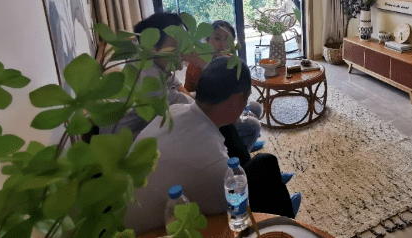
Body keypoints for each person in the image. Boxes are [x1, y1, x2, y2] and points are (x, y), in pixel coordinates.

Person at [124, 57, 301, 234]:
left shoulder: (174, 110)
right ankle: (284, 220)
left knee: (245, 148)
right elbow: (234, 216)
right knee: (266, 164)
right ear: (235, 100)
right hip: (153, 232)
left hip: (127, 212)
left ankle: (282, 204)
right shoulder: (215, 164)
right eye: (246, 98)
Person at [101, 12, 193, 140]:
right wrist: (202, 63)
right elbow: (197, 112)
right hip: (124, 147)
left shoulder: (148, 61)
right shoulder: (148, 78)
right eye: (177, 43)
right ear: (153, 46)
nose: (185, 49)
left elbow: (178, 86)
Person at [185, 20, 265, 153]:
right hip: (206, 114)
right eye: (217, 38)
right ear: (206, 40)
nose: (222, 44)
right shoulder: (197, 65)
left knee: (256, 107)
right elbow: (210, 99)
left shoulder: (228, 59)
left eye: (227, 40)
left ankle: (243, 143)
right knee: (253, 125)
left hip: (224, 105)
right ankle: (242, 156)